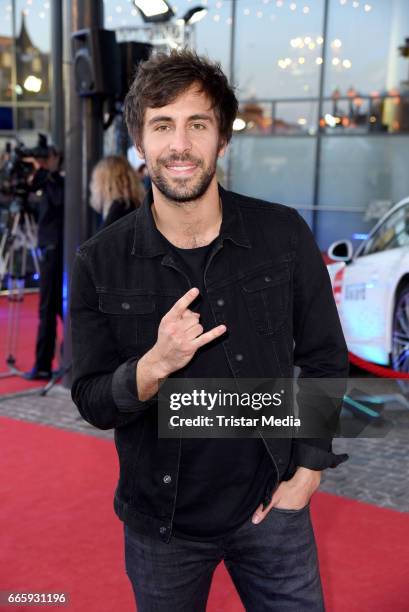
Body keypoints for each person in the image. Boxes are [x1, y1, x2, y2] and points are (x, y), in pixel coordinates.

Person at [70, 50, 349, 611]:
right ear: (140, 143)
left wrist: (309, 471)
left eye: (197, 124)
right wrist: (152, 367)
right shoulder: (100, 261)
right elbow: (93, 400)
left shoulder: (282, 235)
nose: (180, 144)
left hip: (274, 507)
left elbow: (324, 358)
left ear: (222, 139)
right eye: (162, 125)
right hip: (161, 524)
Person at [24, 147, 64, 380]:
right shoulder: (42, 182)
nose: (39, 163)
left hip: (55, 252)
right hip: (49, 250)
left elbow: (58, 202)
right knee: (52, 307)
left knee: (49, 308)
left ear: (54, 159)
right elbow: (29, 204)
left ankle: (43, 364)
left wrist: (48, 176)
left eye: (43, 158)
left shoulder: (57, 182)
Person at [89, 155, 144, 230]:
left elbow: (102, 240)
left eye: (94, 180)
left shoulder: (119, 210)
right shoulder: (133, 205)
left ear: (106, 184)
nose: (92, 185)